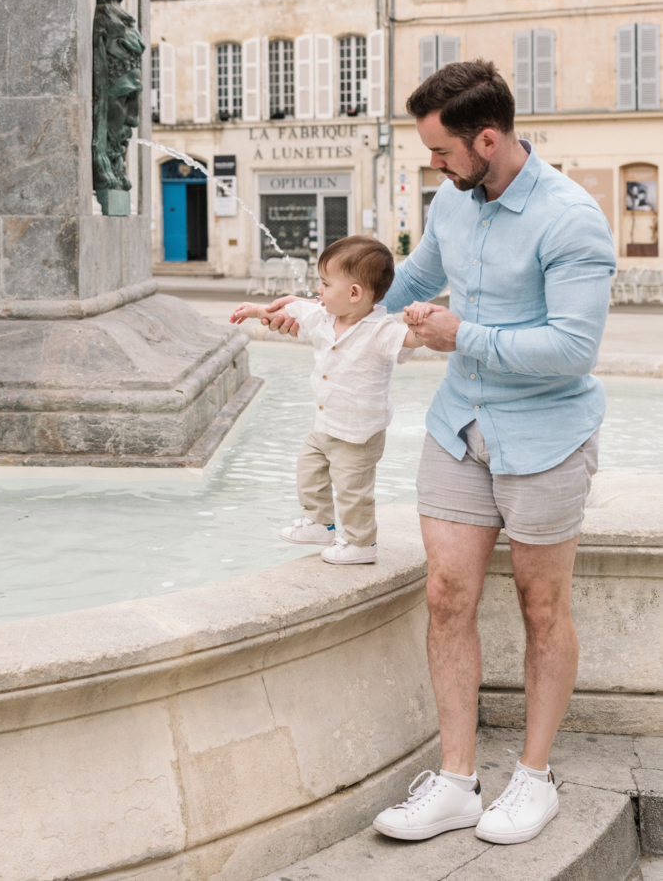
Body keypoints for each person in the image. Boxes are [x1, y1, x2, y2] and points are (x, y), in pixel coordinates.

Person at [262, 60, 615, 846]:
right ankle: (456, 781)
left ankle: (533, 777)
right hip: (458, 429)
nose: (435, 165)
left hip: (545, 437)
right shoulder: (453, 206)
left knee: (540, 607)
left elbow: (572, 349)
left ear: (486, 139)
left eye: (442, 152)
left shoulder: (571, 218)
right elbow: (399, 282)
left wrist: (463, 335)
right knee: (446, 597)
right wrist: (308, 310)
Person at [231, 235, 424, 565]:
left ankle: (362, 543)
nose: (318, 290)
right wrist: (257, 310)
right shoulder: (322, 316)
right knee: (309, 470)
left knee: (353, 490)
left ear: (354, 294)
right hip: (325, 423)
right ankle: (321, 523)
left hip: (358, 431)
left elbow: (415, 338)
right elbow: (292, 308)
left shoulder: (381, 329)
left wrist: (419, 320)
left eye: (324, 283)